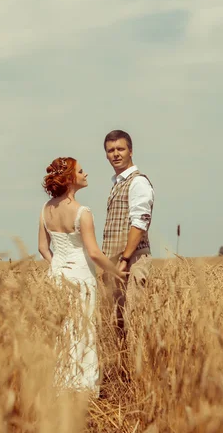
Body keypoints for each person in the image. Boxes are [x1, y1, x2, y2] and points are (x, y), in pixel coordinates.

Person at [38, 156, 127, 394]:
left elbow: (43, 248)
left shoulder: (46, 209)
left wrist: (57, 263)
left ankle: (61, 384)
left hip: (57, 276)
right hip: (80, 277)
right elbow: (95, 253)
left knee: (63, 330)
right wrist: (116, 271)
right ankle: (81, 386)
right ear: (69, 179)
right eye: (81, 171)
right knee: (83, 330)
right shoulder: (82, 212)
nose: (85, 174)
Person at [102, 130, 154, 342]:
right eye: (110, 150)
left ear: (131, 151)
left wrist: (124, 260)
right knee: (117, 320)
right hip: (117, 262)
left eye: (120, 149)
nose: (115, 154)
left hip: (132, 260)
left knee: (134, 318)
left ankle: (137, 372)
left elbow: (139, 223)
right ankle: (123, 372)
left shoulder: (138, 182)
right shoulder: (117, 183)